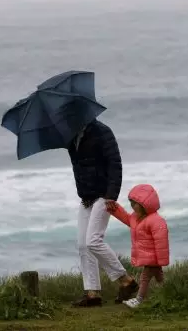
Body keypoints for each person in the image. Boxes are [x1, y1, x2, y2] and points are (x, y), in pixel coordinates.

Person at [68, 120, 138, 307]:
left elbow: (115, 164)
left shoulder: (102, 131)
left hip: (103, 195)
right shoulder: (71, 135)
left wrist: (111, 195)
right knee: (83, 245)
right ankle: (92, 293)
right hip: (86, 196)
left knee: (93, 241)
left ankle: (126, 280)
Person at [106, 183, 170, 308]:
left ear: (145, 205)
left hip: (153, 259)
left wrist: (161, 260)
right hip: (149, 258)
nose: (132, 207)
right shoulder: (136, 218)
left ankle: (139, 299)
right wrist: (115, 209)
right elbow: (126, 218)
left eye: (134, 204)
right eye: (131, 203)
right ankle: (169, 292)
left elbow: (161, 242)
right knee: (159, 277)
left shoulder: (156, 221)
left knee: (144, 278)